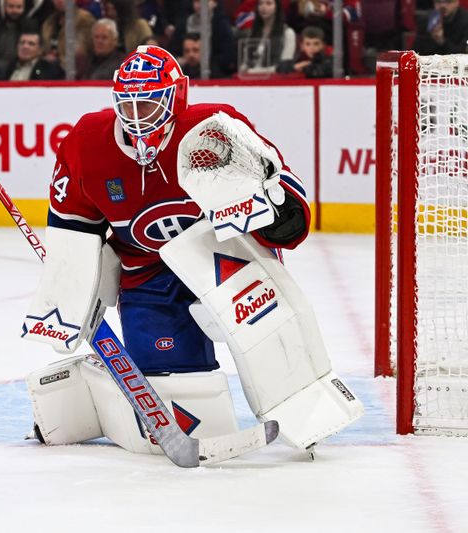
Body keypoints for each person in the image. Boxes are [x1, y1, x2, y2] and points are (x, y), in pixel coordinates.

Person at [21, 45, 362, 458]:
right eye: (126, 106)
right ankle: (83, 401)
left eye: (146, 105)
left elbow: (285, 199)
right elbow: (74, 229)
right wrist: (72, 288)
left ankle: (304, 407)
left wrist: (277, 213)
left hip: (229, 261)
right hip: (146, 271)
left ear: (175, 98)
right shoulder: (87, 142)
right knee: (180, 389)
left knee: (272, 347)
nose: (135, 118)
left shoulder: (213, 128)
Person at [239, 0, 296, 73]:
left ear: (277, 7)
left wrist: (253, 71)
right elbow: (246, 62)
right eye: (260, 3)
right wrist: (244, 68)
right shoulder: (252, 33)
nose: (263, 7)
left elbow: (284, 67)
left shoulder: (288, 33)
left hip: (275, 81)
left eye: (268, 3)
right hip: (250, 79)